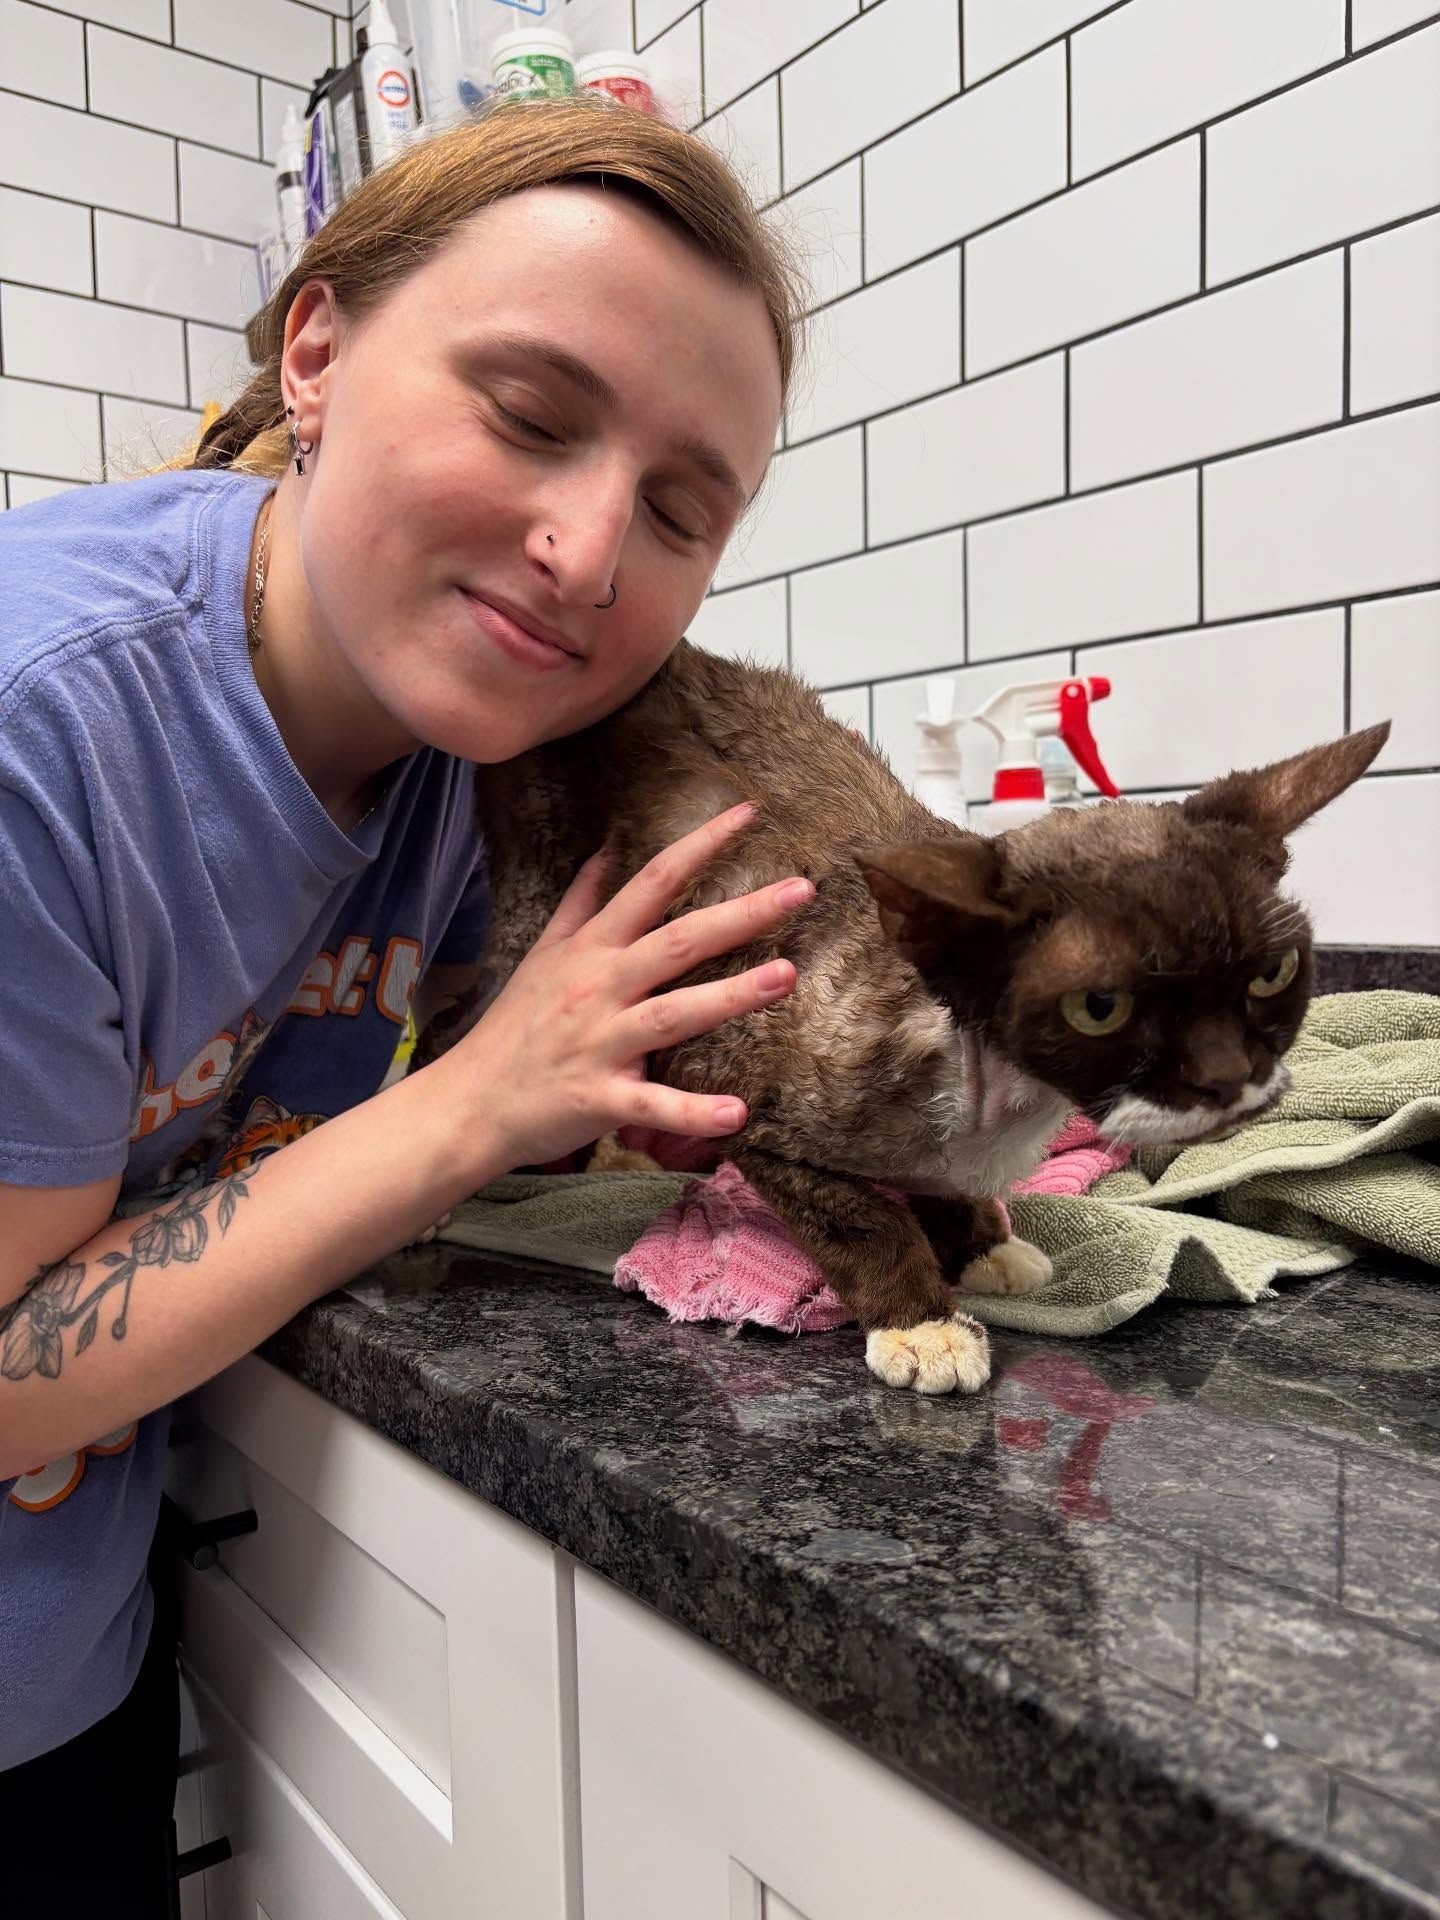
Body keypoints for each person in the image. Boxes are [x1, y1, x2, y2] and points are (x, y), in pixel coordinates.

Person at [0, 98, 810, 1914]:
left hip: (71, 1665)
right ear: (317, 349)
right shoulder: (38, 732)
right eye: (530, 416)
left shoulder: (481, 747)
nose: (594, 555)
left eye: (684, 511)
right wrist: (469, 1108)